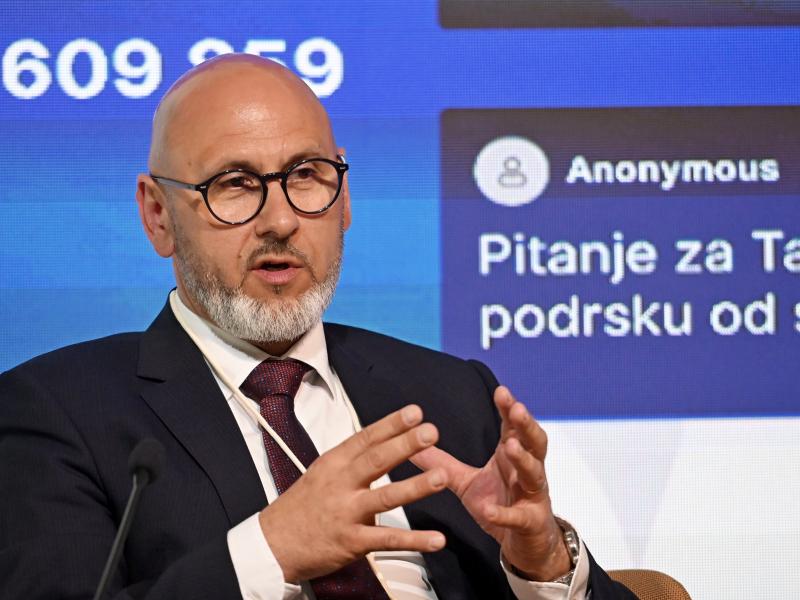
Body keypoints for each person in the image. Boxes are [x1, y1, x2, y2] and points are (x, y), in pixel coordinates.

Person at [0, 54, 635, 600]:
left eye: (306, 176)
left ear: (345, 199)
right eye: (235, 183)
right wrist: (271, 549)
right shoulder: (57, 412)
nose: (280, 220)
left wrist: (543, 561)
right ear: (158, 215)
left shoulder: (452, 396)